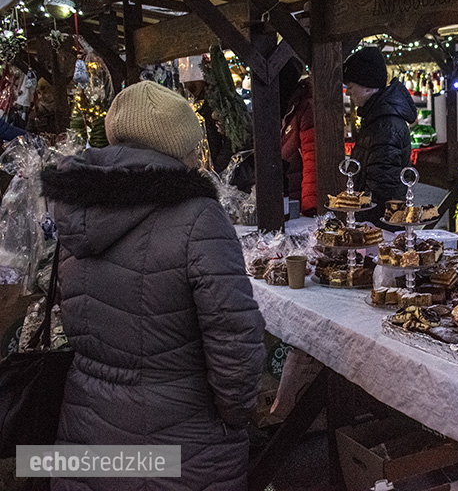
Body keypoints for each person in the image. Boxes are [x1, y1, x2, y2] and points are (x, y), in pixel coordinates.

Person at [41, 81, 266, 490]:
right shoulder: (199, 217)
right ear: (180, 147)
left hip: (88, 431)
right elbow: (233, 337)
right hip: (181, 442)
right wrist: (235, 417)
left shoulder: (76, 208)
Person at [343, 46, 417, 225]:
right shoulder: (377, 117)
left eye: (351, 86)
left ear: (368, 87)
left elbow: (383, 186)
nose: (348, 93)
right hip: (378, 217)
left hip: (380, 221)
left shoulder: (385, 124)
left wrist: (363, 221)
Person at [281, 74, 316, 216]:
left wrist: (310, 207)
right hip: (289, 200)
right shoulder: (289, 109)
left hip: (300, 205)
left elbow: (312, 160)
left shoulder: (305, 108)